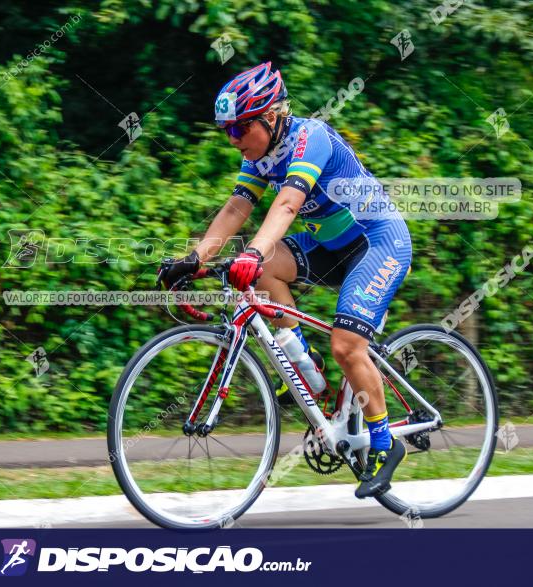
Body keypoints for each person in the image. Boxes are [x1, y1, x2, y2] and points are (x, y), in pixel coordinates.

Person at [158, 62, 413, 498]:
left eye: (240, 129)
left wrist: (253, 251)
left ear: (270, 118)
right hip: (330, 249)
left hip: (377, 243)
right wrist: (194, 258)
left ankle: (385, 443)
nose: (234, 140)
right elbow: (237, 210)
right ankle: (303, 362)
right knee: (261, 270)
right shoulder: (258, 155)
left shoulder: (308, 139)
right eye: (227, 132)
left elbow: (288, 205)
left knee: (346, 345)